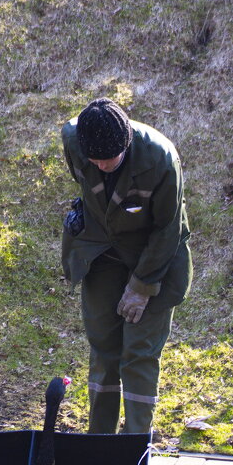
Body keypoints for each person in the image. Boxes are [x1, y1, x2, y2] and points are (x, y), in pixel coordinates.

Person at [61, 98, 192, 434]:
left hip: (155, 258)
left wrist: (142, 286)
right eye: (96, 160)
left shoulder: (160, 159)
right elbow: (87, 188)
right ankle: (99, 442)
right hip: (103, 253)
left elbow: (168, 228)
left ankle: (135, 447)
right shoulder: (73, 140)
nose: (103, 165)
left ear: (127, 144)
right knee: (104, 345)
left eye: (111, 159)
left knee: (138, 353)